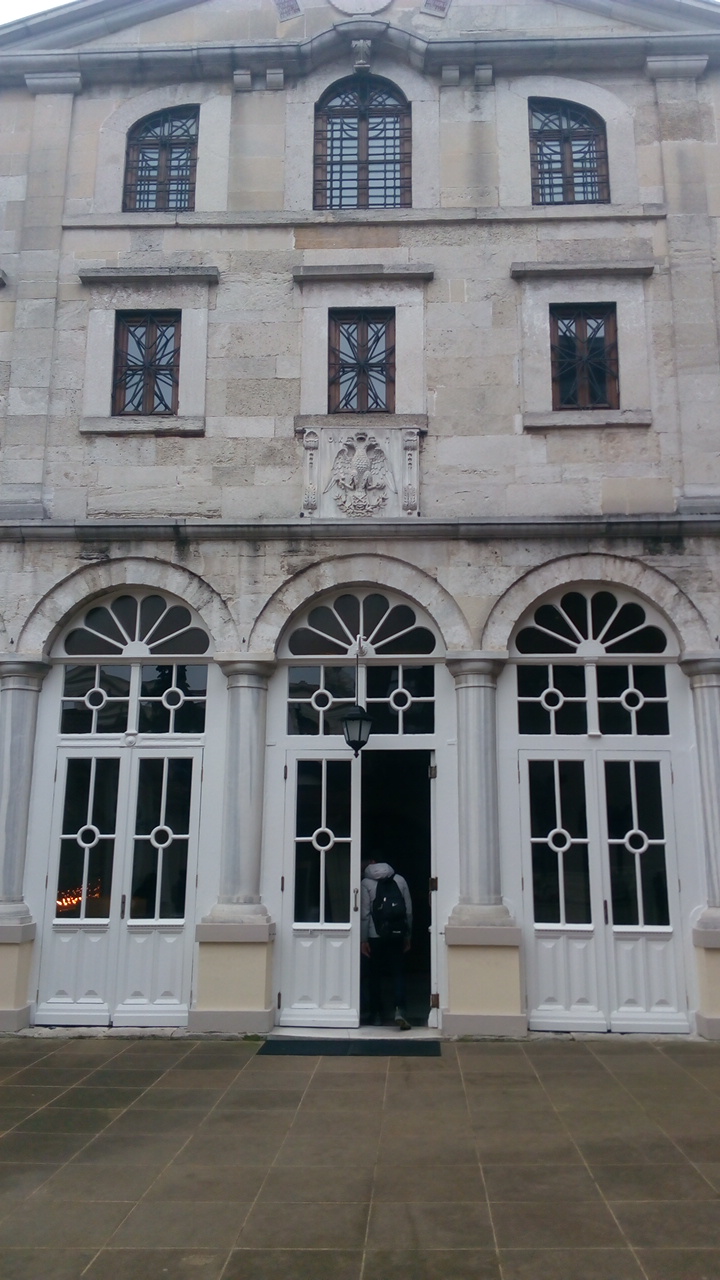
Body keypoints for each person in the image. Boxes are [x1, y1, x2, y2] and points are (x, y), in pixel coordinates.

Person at [361, 857, 413, 1030]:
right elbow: (408, 910)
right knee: (398, 973)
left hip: (374, 935)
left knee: (374, 975)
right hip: (397, 933)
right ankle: (400, 1010)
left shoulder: (366, 883)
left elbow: (365, 914)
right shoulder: (400, 879)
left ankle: (376, 1014)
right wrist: (408, 935)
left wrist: (363, 939)